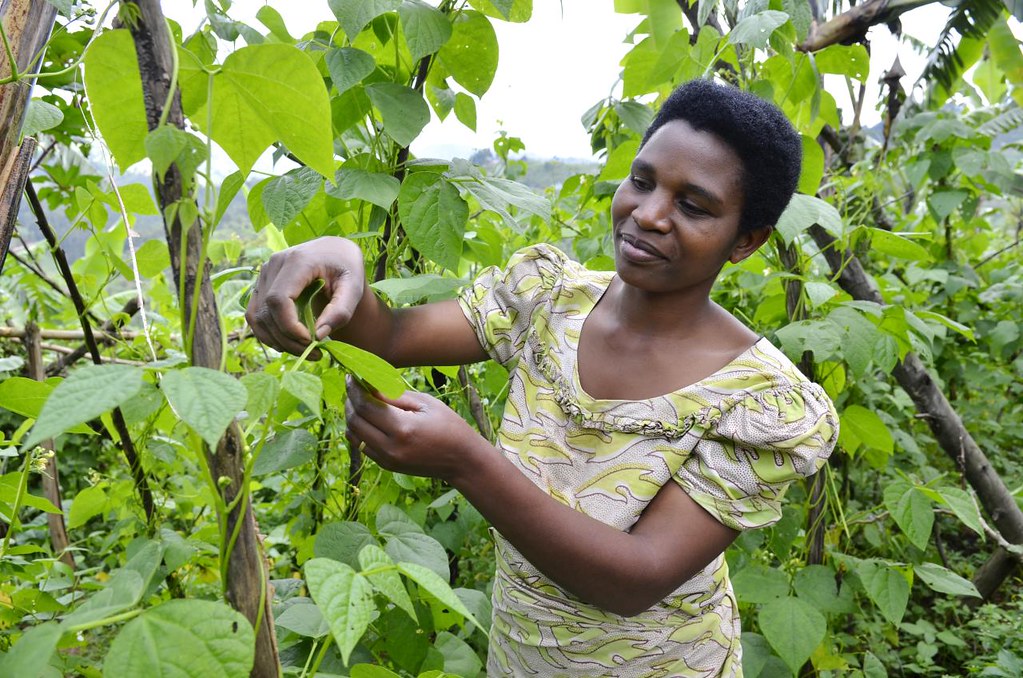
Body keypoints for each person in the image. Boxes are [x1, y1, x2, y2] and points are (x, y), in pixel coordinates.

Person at [246, 78, 839, 677]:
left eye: (693, 206)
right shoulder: (549, 302)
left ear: (746, 241)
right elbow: (390, 336)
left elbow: (634, 579)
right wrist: (337, 265)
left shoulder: (759, 402)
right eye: (642, 181)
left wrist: (465, 461)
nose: (649, 214)